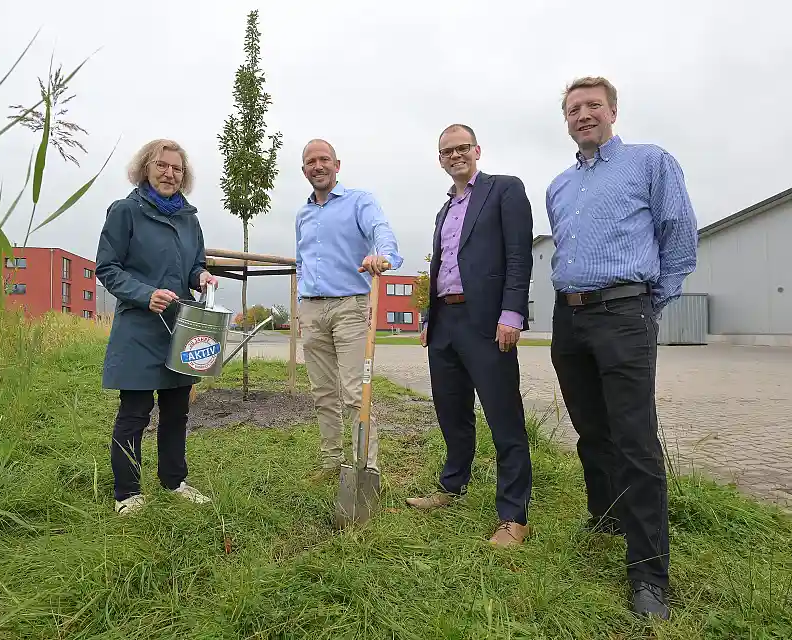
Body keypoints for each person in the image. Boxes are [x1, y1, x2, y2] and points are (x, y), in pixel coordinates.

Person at [546, 76, 698, 620]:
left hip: (624, 313)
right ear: (565, 119)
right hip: (571, 317)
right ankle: (607, 516)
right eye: (572, 109)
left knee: (635, 439)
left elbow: (678, 233)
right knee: (592, 429)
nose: (582, 115)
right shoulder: (559, 186)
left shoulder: (649, 163)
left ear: (612, 110)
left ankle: (649, 573)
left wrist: (650, 303)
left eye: (592, 106)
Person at [406, 124, 534, 548]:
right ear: (440, 159)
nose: (456, 155)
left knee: (504, 417)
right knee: (452, 411)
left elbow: (519, 254)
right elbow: (440, 266)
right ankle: (452, 486)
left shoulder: (504, 190)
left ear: (477, 150)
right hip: (446, 325)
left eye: (463, 148)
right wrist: (428, 316)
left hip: (487, 323)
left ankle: (513, 515)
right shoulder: (444, 211)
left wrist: (512, 313)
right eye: (447, 151)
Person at [95, 138, 220, 515]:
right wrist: (144, 293)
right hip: (139, 327)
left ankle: (173, 480)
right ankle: (127, 492)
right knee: (134, 412)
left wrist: (201, 277)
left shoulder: (189, 220)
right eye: (162, 166)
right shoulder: (125, 211)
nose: (170, 173)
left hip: (180, 327)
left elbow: (194, 264)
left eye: (177, 168)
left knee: (177, 410)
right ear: (145, 169)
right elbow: (107, 268)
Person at [295, 139, 403, 480]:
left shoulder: (360, 201)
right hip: (311, 310)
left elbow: (381, 231)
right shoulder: (303, 214)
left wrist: (382, 255)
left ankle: (365, 468)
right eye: (311, 161)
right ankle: (330, 462)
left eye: (324, 159)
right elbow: (302, 260)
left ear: (337, 165)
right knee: (322, 392)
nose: (318, 166)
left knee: (356, 391)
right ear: (304, 171)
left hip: (350, 308)